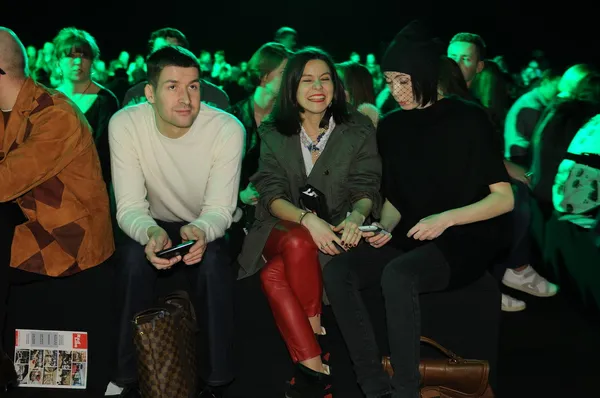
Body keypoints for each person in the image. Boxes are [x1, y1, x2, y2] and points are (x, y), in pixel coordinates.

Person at [322, 21, 514, 398]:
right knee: (340, 270)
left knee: (398, 275)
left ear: (426, 75)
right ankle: (374, 384)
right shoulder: (392, 126)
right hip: (414, 233)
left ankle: (405, 389)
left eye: (404, 81)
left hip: (464, 235)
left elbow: (503, 198)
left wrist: (446, 219)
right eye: (390, 81)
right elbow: (396, 200)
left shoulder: (468, 117)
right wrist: (382, 229)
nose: (395, 91)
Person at [237, 47, 381, 398]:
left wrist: (357, 215)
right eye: (307, 80)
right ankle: (316, 330)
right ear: (292, 87)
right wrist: (307, 220)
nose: (318, 87)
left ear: (336, 86)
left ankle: (313, 372)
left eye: (325, 78)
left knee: (274, 275)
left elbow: (367, 187)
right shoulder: (273, 130)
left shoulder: (357, 128)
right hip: (279, 226)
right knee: (300, 239)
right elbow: (269, 193)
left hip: (334, 229)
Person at [106, 45, 243, 398]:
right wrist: (149, 231)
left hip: (208, 223)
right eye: (172, 87)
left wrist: (201, 230)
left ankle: (217, 381)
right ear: (149, 93)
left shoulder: (227, 128)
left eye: (194, 86)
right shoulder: (125, 123)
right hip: (154, 220)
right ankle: (124, 378)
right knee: (133, 260)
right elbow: (129, 206)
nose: (186, 98)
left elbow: (220, 209)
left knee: (212, 262)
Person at [0, 27, 115, 393]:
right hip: (29, 222)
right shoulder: (9, 110)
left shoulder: (54, 115)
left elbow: (6, 180)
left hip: (67, 237)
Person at [226, 42, 290, 256]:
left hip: (278, 209)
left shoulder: (290, 119)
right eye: (283, 72)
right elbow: (213, 172)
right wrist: (239, 196)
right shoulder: (232, 118)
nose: (290, 78)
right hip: (235, 212)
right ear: (264, 75)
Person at [121, 28, 229, 110]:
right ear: (150, 58)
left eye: (173, 54)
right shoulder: (136, 95)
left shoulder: (214, 96)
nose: (167, 60)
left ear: (187, 56)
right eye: (160, 53)